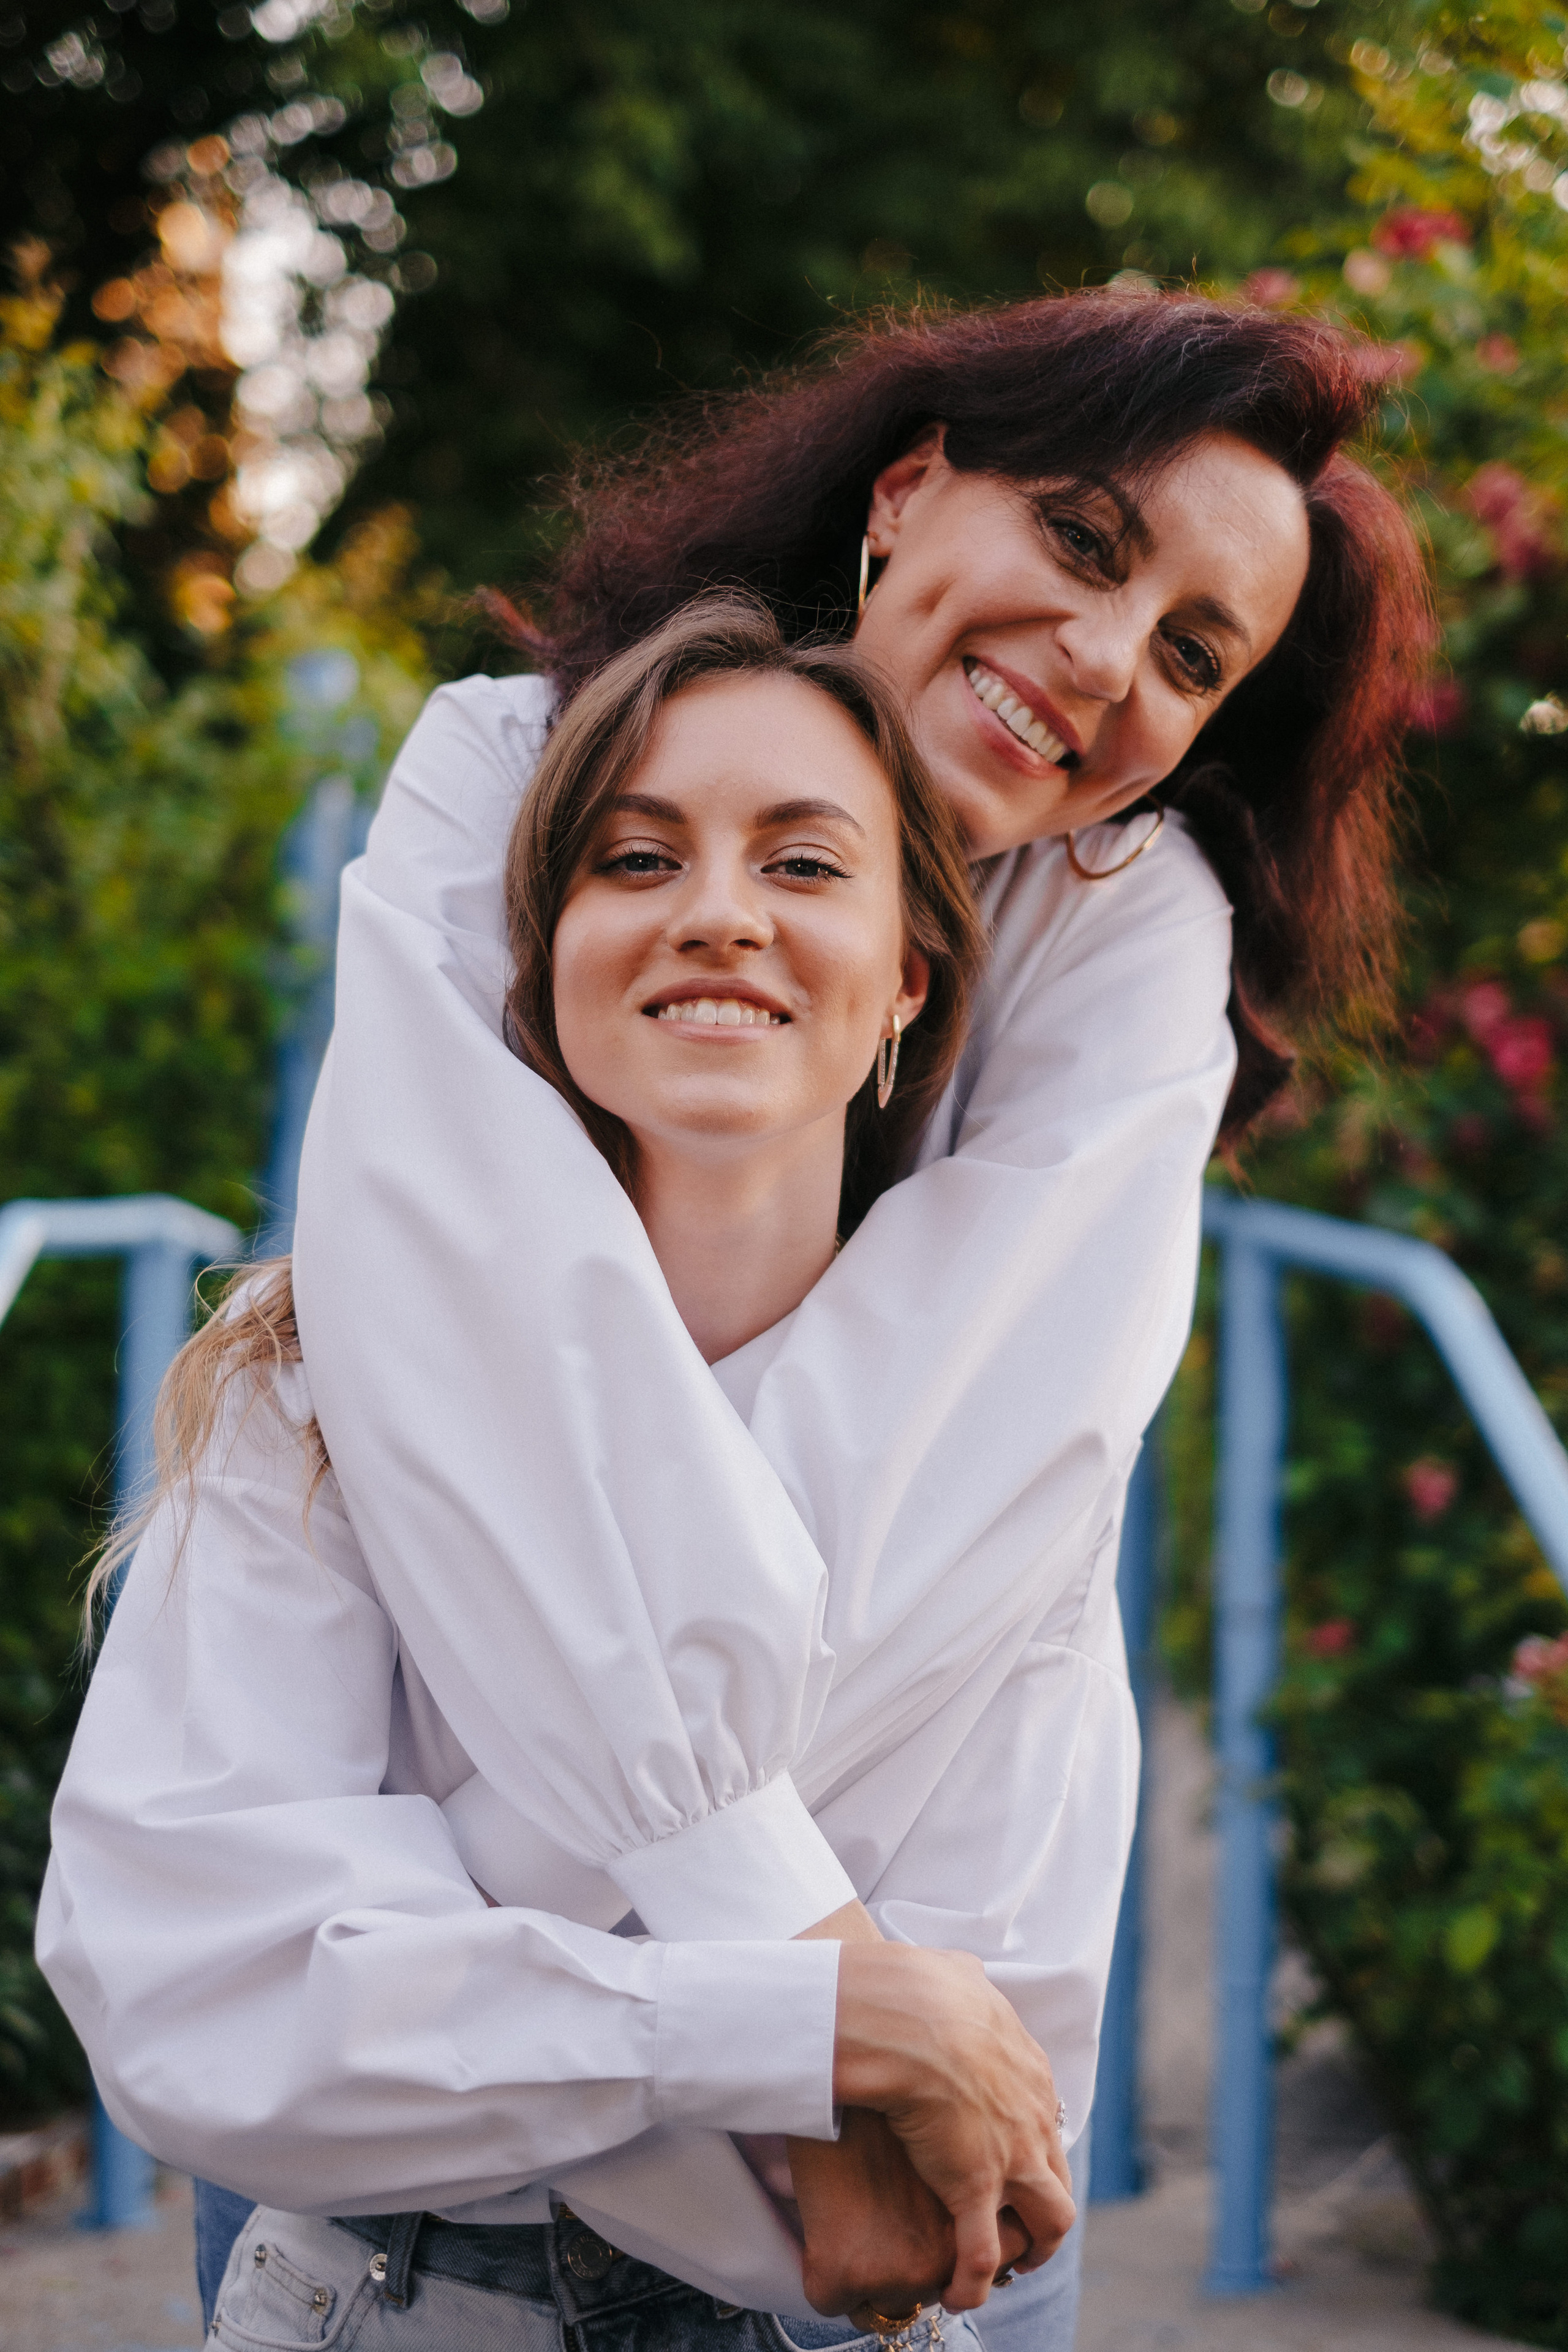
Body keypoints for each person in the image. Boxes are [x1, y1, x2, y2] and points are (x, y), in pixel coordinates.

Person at [278, 289, 1427, 2332]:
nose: (1101, 663)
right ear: (906, 496)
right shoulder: (510, 765)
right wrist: (812, 2001)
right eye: (1081, 541)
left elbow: (925, 1492)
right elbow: (445, 1354)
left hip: (912, 2199)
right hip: (473, 2197)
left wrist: (770, 2000)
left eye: (1190, 655)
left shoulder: (1122, 922)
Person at [41, 601, 1088, 2352]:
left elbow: (985, 2059)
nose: (719, 910)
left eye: (805, 861)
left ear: (911, 980)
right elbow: (200, 1988)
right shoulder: (312, 1389)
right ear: (542, 969)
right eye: (635, 857)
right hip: (397, 2306)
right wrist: (812, 2037)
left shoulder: (1004, 1440)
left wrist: (463, 1969)